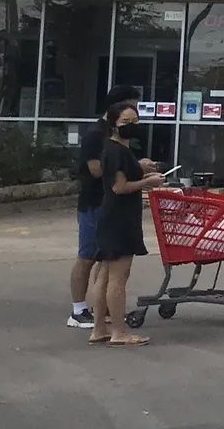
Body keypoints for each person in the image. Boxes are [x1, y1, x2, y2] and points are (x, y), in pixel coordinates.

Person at [86, 101, 165, 346]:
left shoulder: (117, 150)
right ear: (113, 123)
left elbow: (124, 177)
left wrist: (145, 175)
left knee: (106, 275)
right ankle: (119, 331)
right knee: (118, 277)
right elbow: (119, 187)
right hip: (119, 218)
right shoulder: (115, 150)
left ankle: (99, 329)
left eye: (135, 122)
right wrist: (147, 184)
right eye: (125, 122)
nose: (131, 126)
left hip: (113, 216)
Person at [67, 85, 143, 327]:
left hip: (111, 205)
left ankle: (104, 309)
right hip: (93, 202)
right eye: (130, 110)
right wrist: (129, 168)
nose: (133, 117)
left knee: (106, 259)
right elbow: (96, 169)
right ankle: (78, 309)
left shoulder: (118, 137)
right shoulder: (96, 134)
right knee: (87, 255)